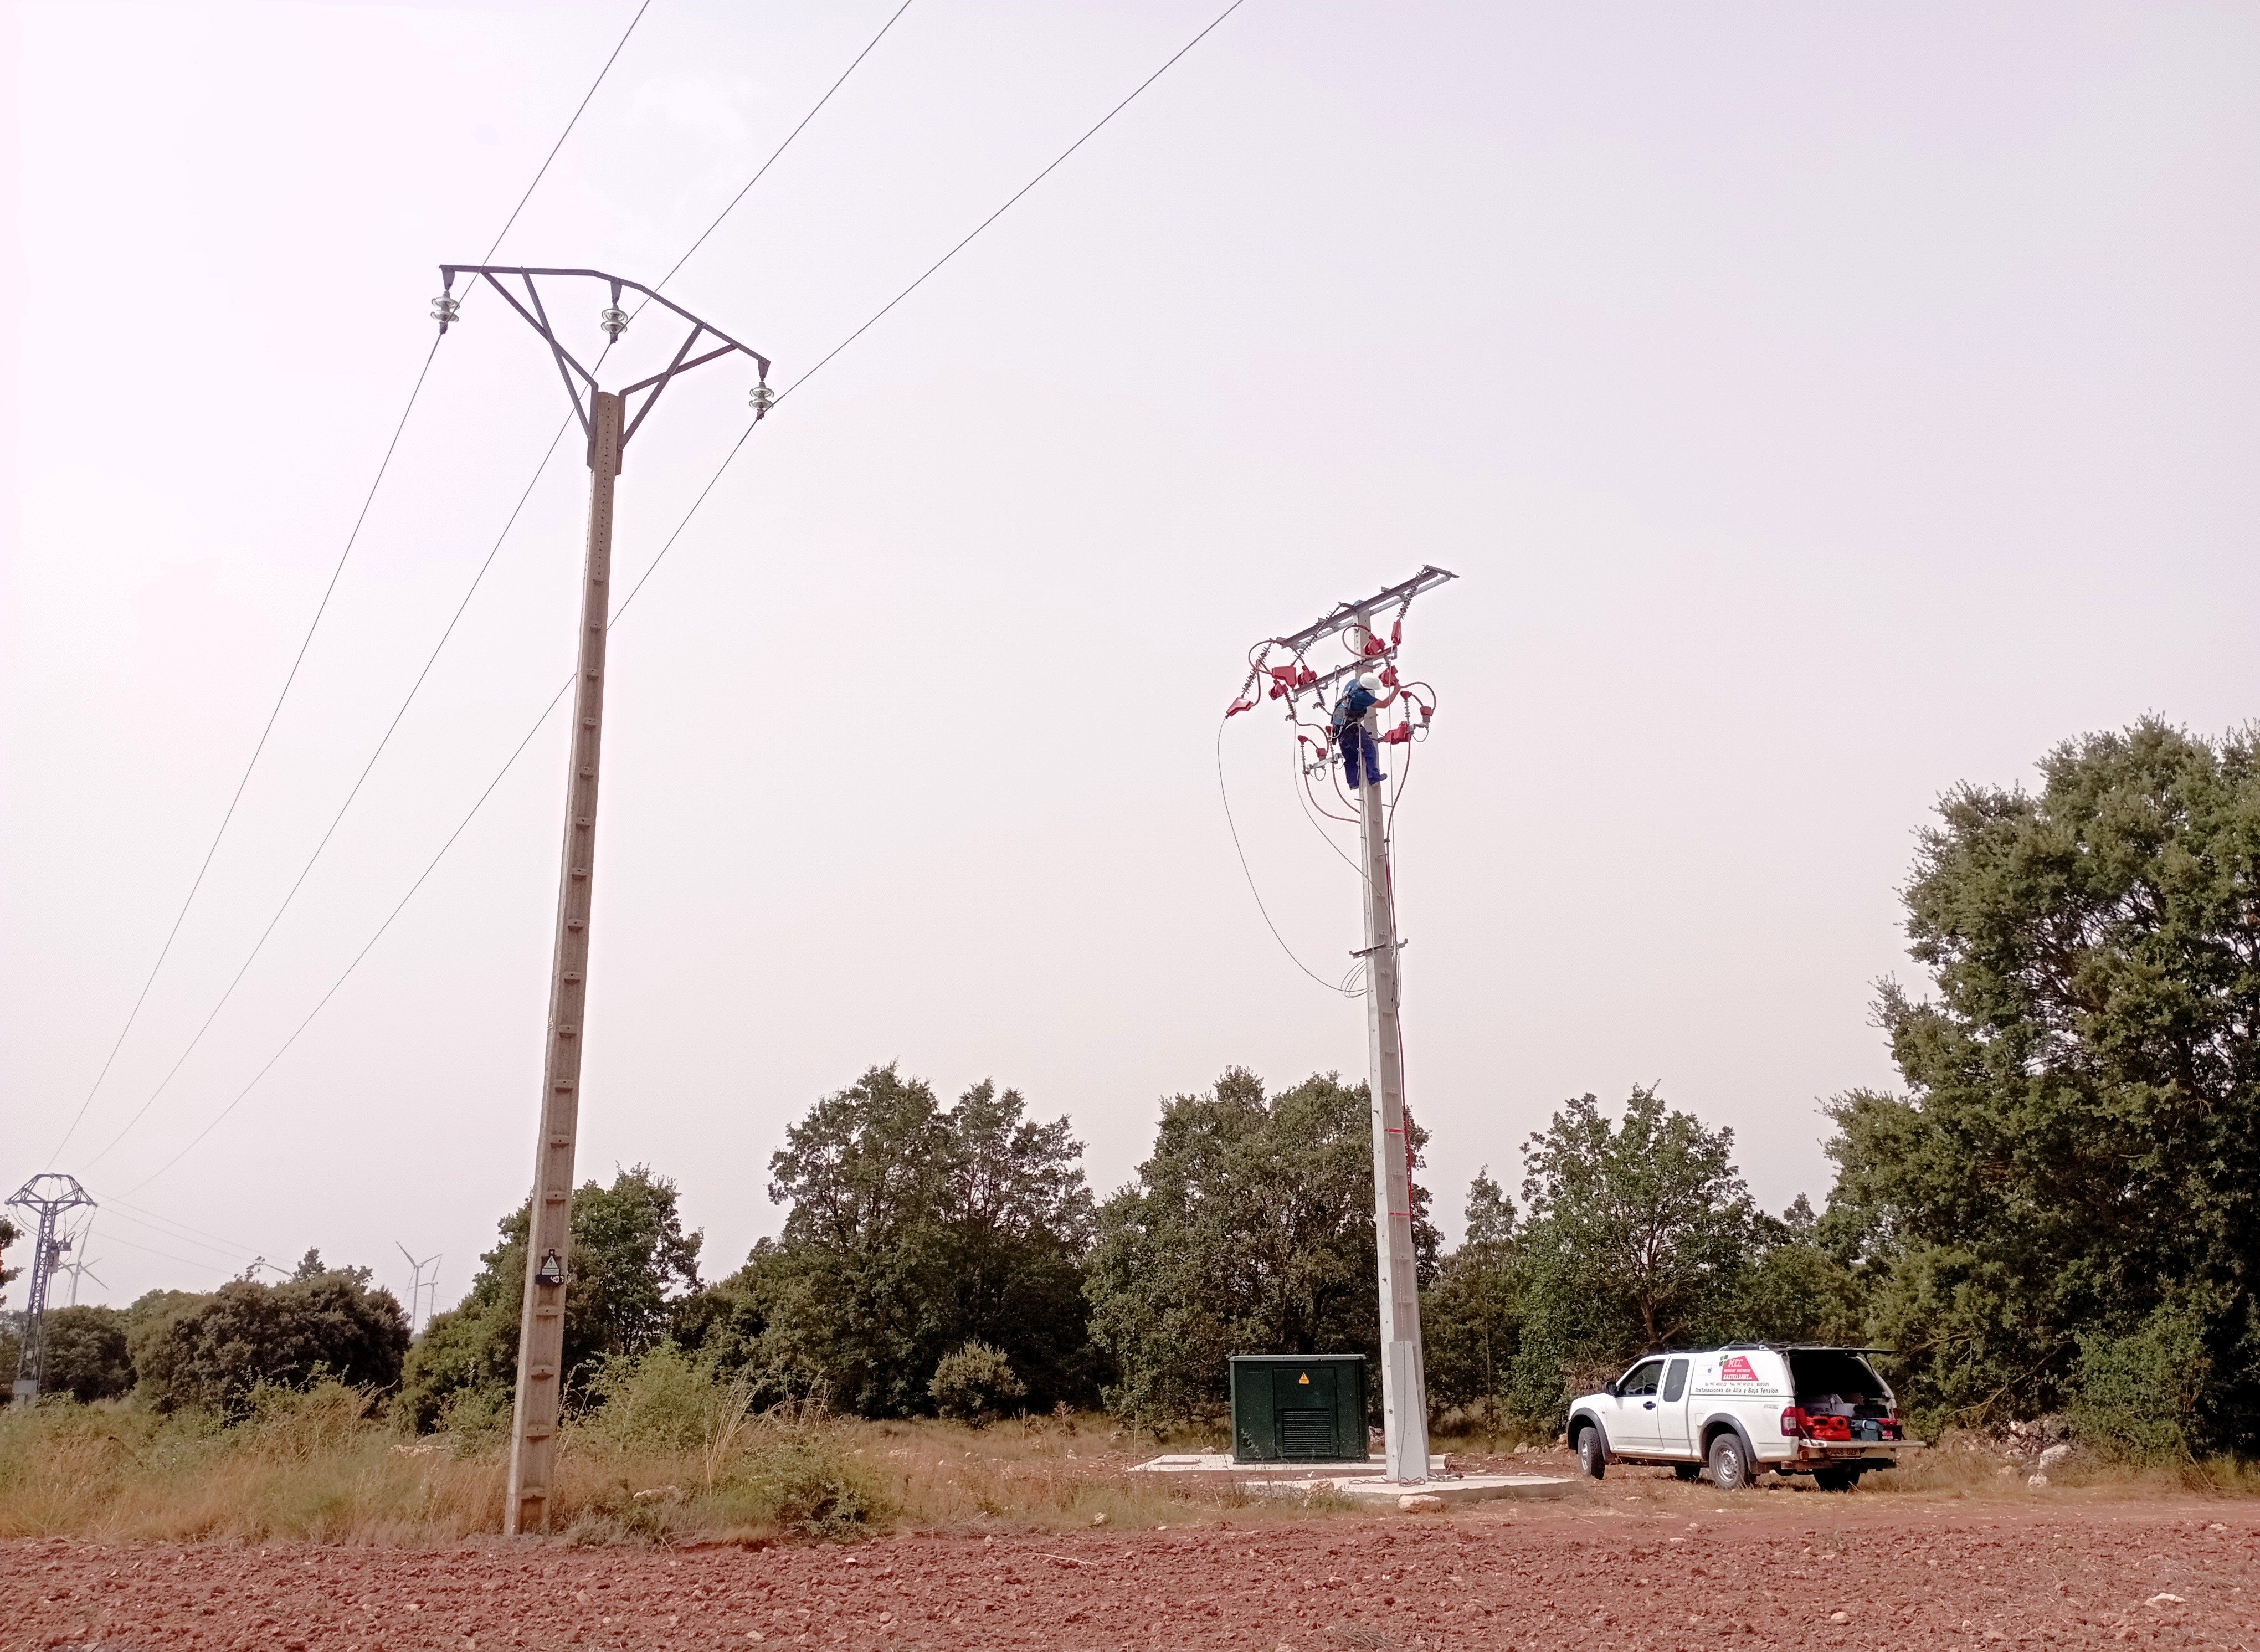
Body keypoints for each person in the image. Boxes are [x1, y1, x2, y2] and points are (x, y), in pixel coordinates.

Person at [1331, 670, 1396, 790]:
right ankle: (1373, 777)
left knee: (1350, 756)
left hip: (1338, 728)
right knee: (1369, 750)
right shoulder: (1362, 696)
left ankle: (1353, 783)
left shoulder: (1352, 683)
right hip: (1351, 729)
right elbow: (1384, 704)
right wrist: (1396, 691)